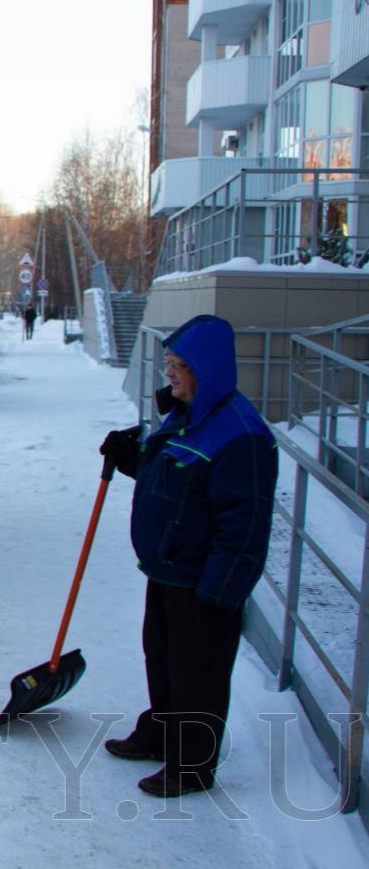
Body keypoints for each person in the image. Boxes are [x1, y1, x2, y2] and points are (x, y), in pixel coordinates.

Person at [98, 314, 277, 798]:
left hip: (203, 583)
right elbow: (172, 482)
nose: (170, 374)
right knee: (162, 659)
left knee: (198, 675)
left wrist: (219, 593)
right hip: (168, 571)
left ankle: (192, 766)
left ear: (208, 369)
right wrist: (129, 456)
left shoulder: (241, 436)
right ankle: (160, 733)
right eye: (169, 363)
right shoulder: (188, 417)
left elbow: (245, 525)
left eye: (180, 365)